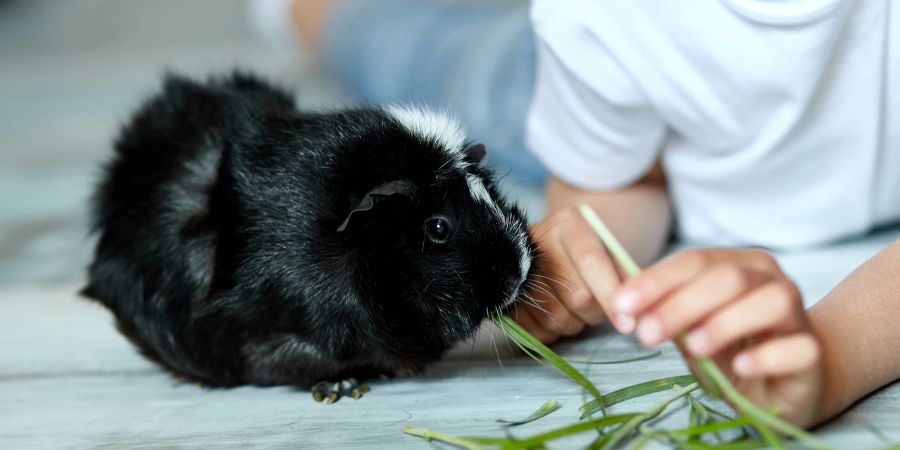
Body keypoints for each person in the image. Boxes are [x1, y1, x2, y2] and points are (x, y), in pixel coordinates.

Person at [249, 0, 900, 428]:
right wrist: (583, 238)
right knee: (427, 55)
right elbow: (625, 177)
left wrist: (837, 351)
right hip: (543, 80)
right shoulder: (603, 21)